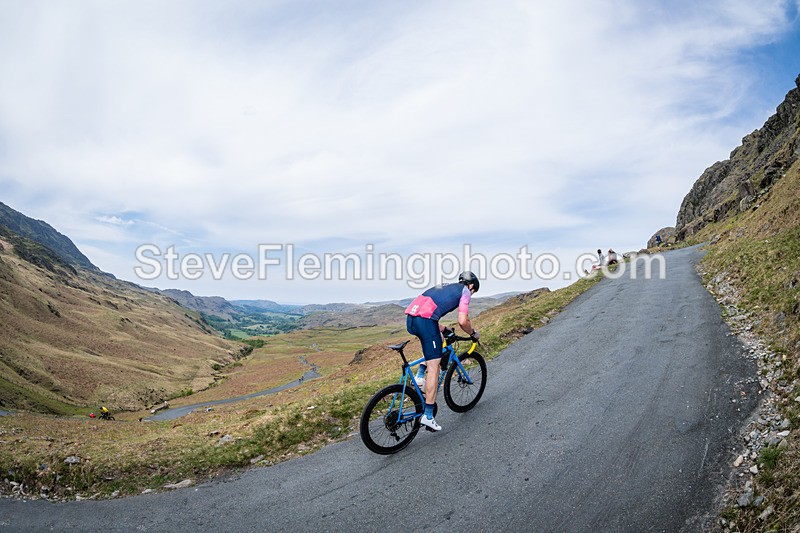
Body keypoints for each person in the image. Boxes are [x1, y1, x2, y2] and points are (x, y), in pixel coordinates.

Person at [404, 271, 481, 431]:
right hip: (425, 321)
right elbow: (462, 321)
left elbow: (427, 309)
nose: (471, 295)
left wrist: (444, 328)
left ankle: (419, 376)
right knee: (435, 368)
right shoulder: (465, 291)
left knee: (436, 342)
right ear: (471, 285)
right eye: (473, 292)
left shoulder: (446, 286)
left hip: (411, 318)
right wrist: (473, 333)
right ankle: (428, 415)